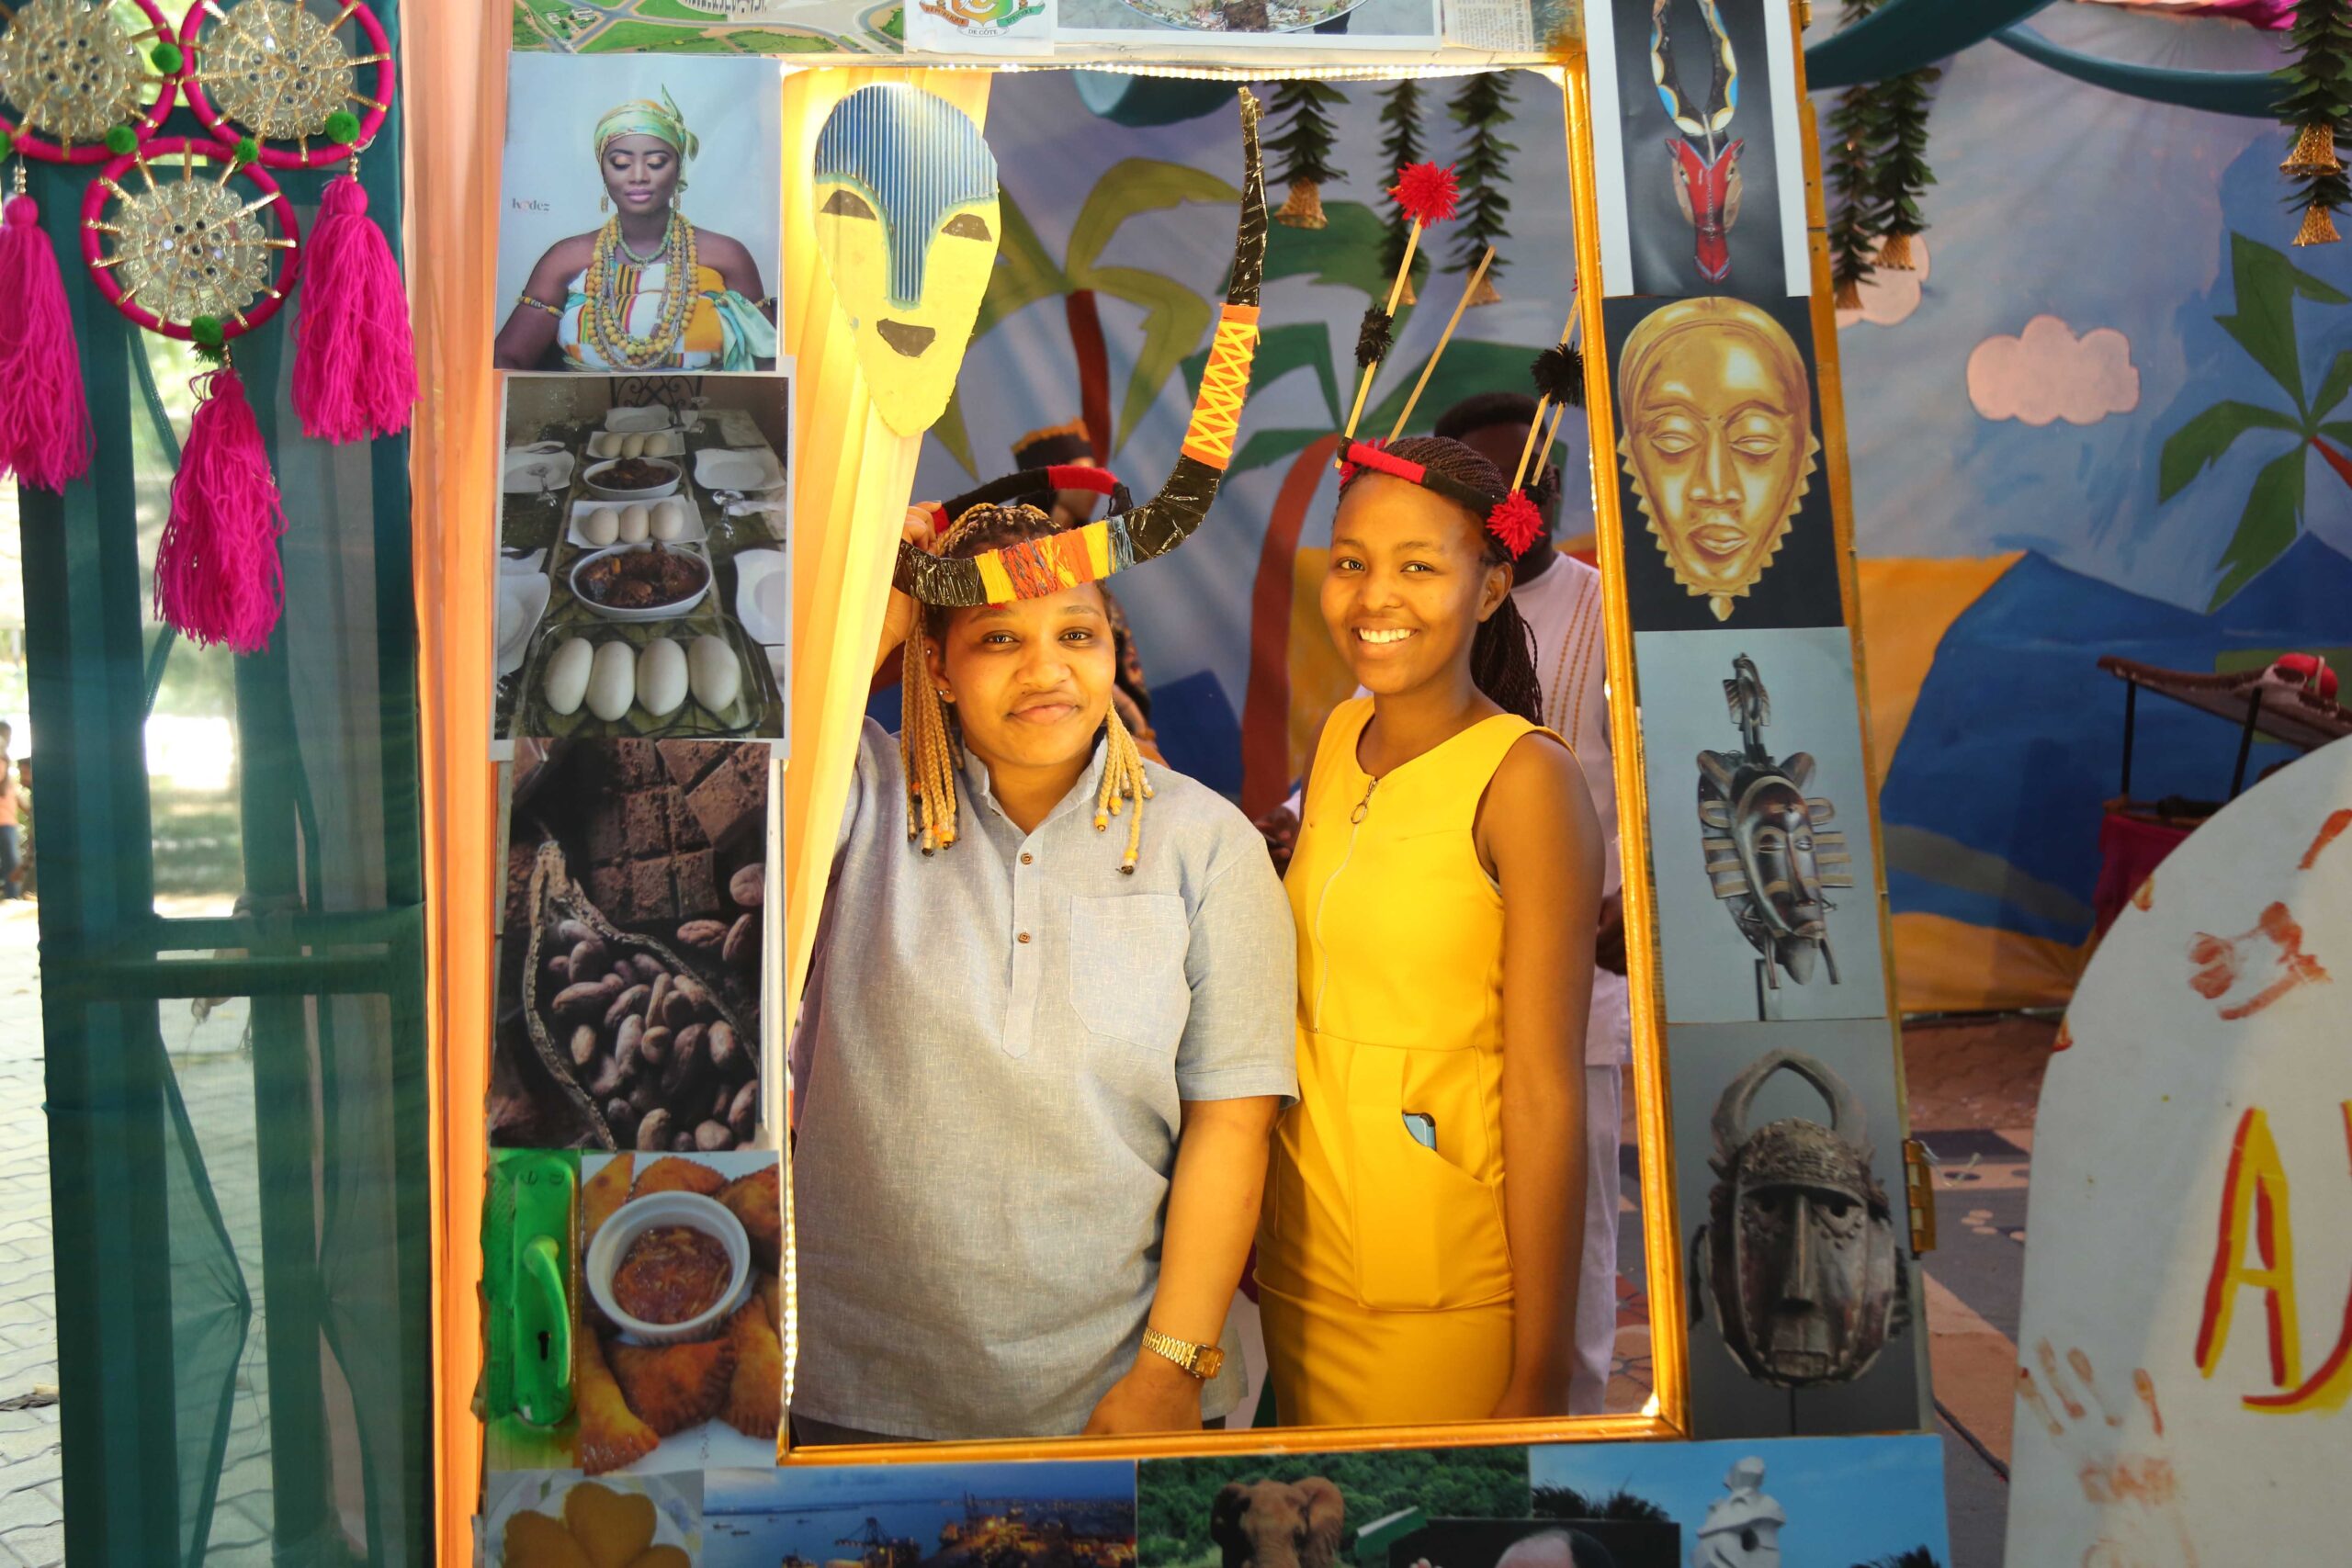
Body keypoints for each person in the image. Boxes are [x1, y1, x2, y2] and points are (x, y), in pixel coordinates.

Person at [790, 91, 1281, 1444]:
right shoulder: (860, 803)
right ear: (933, 667)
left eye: (1075, 630)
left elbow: (1231, 1124)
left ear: (1114, 643)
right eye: (996, 638)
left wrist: (1169, 1371)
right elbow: (768, 764)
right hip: (843, 1397)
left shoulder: (1205, 844)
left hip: (1109, 1402)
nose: (1045, 667)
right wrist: (889, 597)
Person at [1260, 391, 1633, 1415]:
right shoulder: (1340, 737)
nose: (1374, 595)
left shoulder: (1525, 780)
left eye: (1419, 565)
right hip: (1304, 1267)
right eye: (1351, 562)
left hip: (1441, 1293)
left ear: (1488, 584)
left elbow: (1545, 1091)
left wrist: (1541, 1369)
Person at [492, 90, 778, 372]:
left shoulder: (726, 256)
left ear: (678, 169)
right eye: (620, 164)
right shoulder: (565, 259)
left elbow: (766, 364)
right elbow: (507, 359)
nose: (639, 175)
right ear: (603, 172)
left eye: (656, 163)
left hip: (707, 414)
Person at [1011, 420, 1164, 763]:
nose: (1093, 487)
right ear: (1054, 482)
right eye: (1082, 476)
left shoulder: (1087, 560)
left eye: (1096, 475)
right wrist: (1118, 703)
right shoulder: (1017, 561)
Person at [0, 728, 19, 902]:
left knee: (11, 862)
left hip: (8, 819)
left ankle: (12, 895)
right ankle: (12, 895)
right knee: (11, 862)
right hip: (3, 821)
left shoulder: (5, 763)